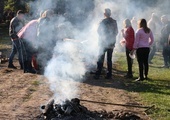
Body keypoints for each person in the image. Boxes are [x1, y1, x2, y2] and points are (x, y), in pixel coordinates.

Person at [94, 8, 118, 79]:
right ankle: (109, 74)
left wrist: (103, 37)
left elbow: (98, 31)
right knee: (109, 59)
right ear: (110, 14)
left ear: (105, 14)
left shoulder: (103, 21)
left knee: (100, 58)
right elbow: (116, 32)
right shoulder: (114, 22)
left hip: (103, 43)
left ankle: (98, 74)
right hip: (111, 43)